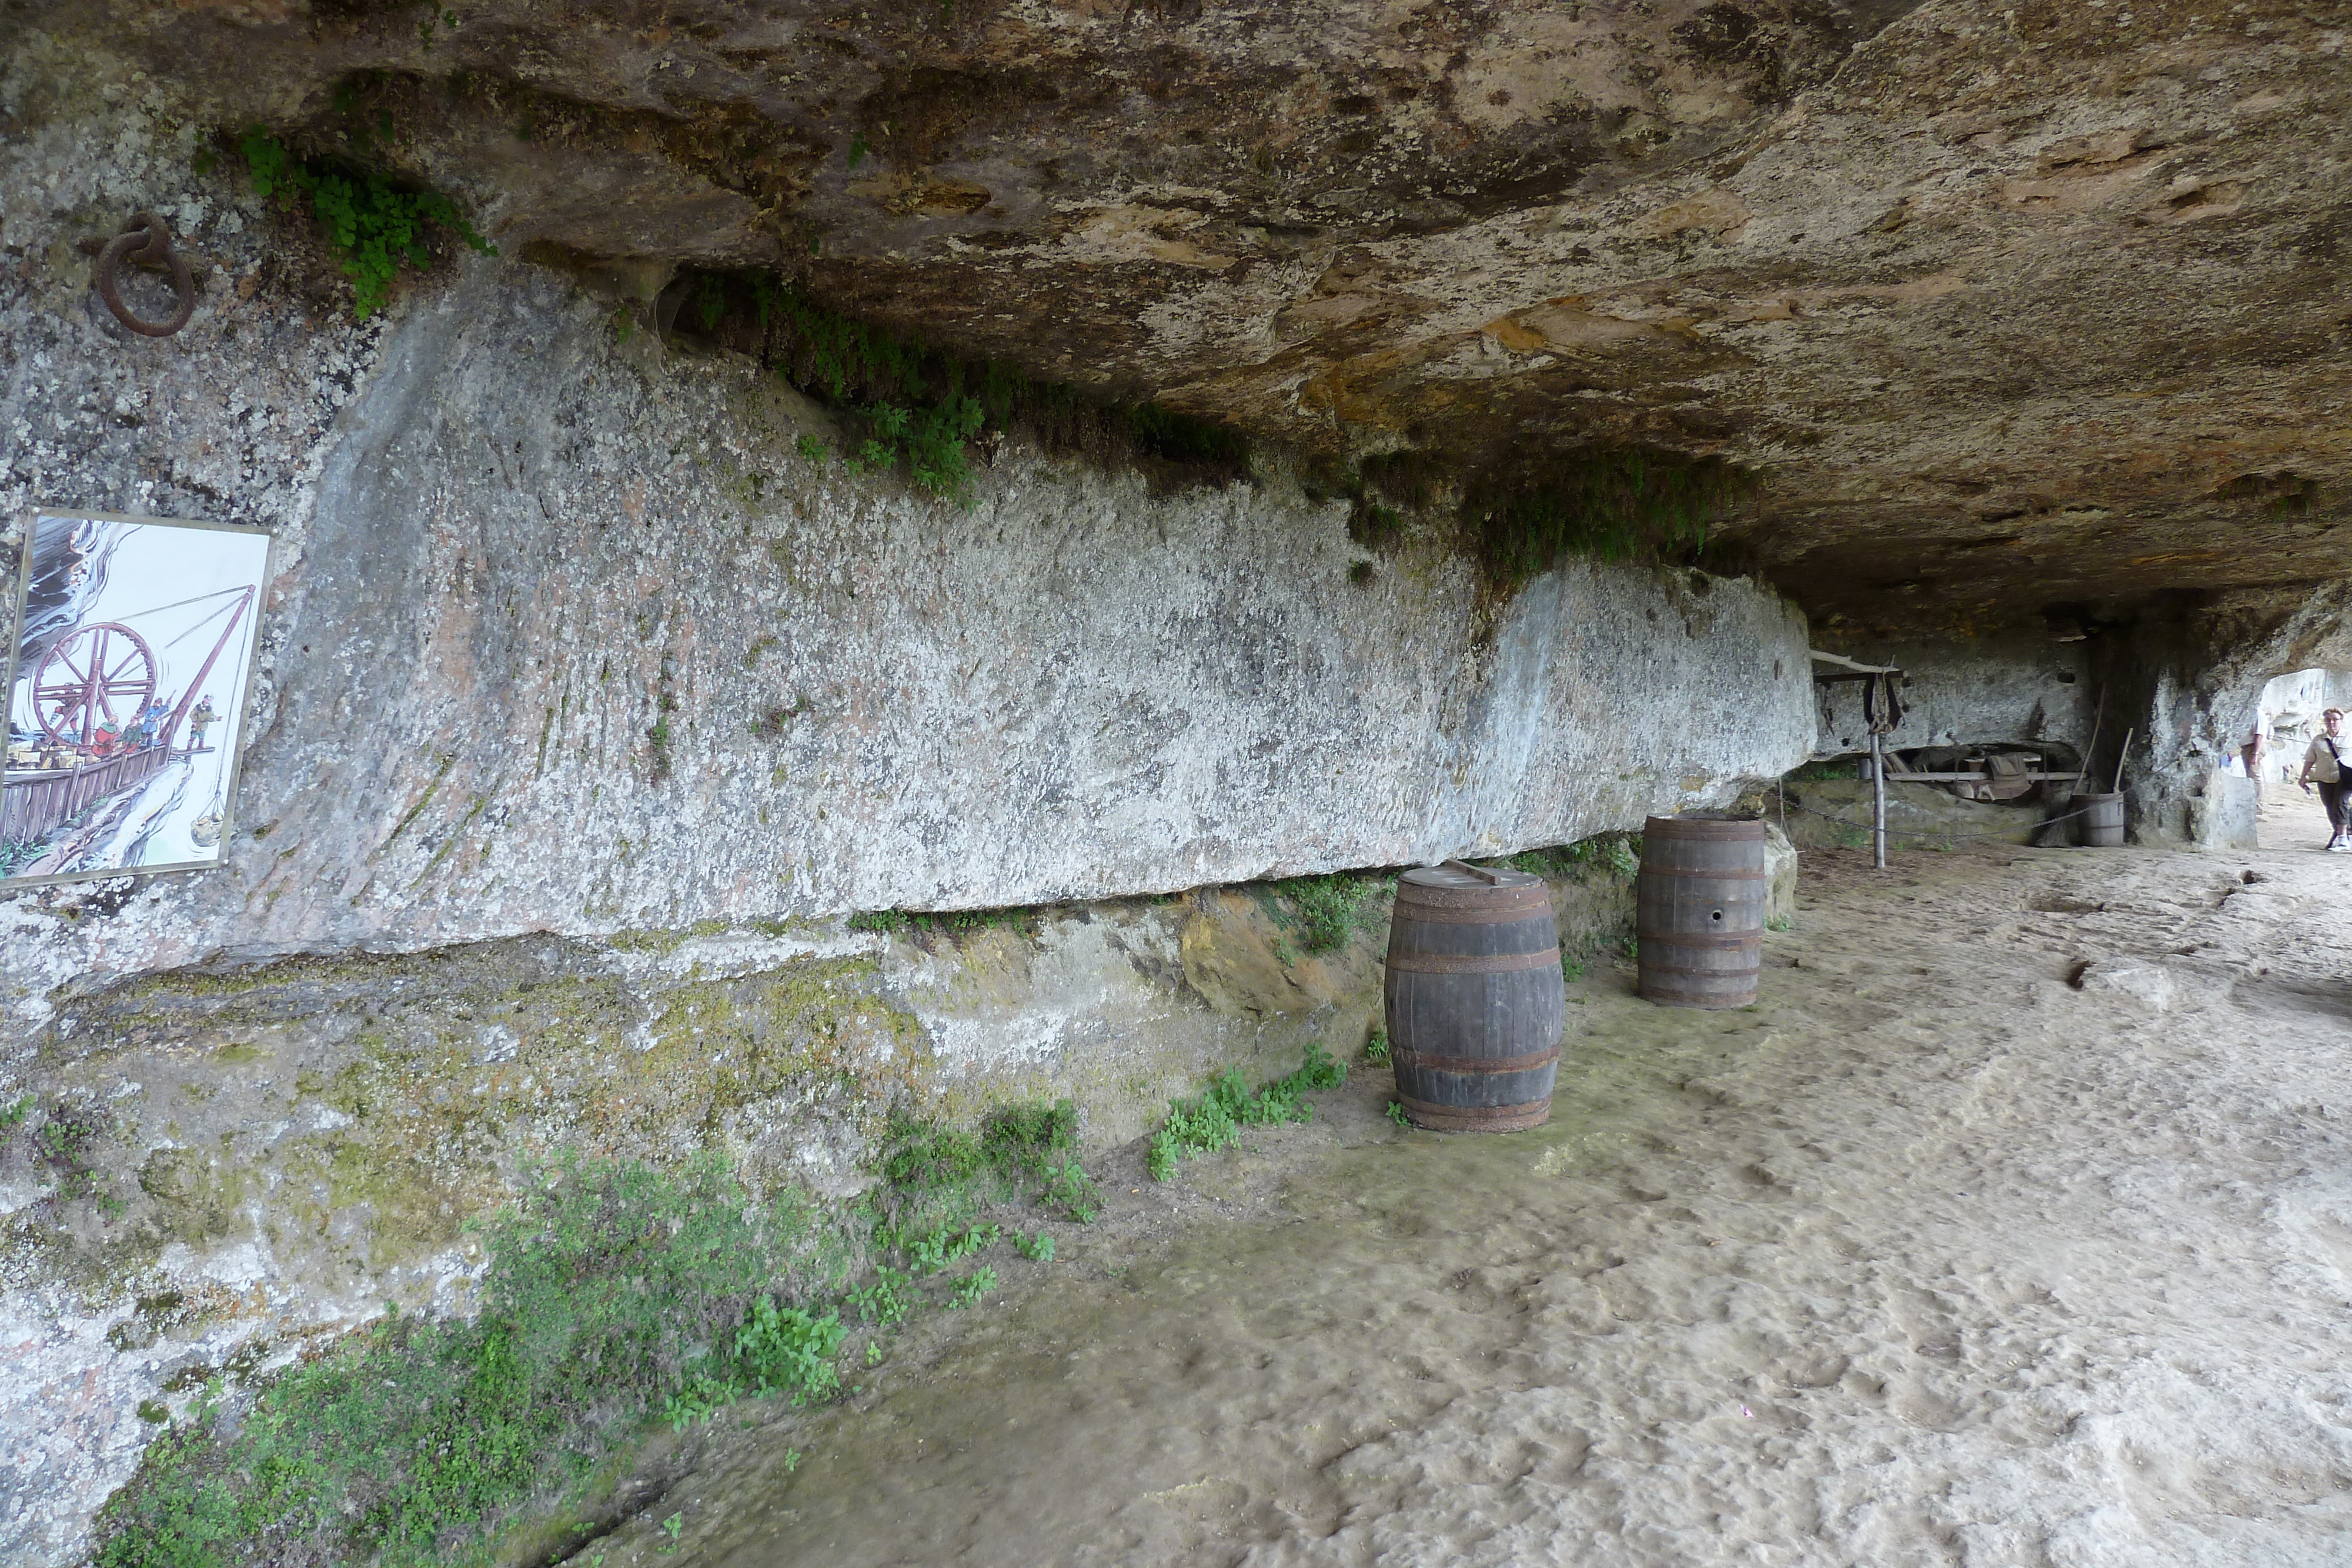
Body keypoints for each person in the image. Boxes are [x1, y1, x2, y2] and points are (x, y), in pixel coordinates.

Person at [2299, 708, 2350, 851]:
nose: (2332, 722)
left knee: (2340, 803)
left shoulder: (2349, 737)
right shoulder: (2318, 740)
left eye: (2335, 719)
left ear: (2341, 721)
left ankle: (2343, 840)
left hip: (2345, 778)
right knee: (2330, 807)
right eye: (2328, 720)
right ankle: (2346, 833)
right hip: (2324, 778)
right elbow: (2310, 759)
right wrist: (2303, 776)